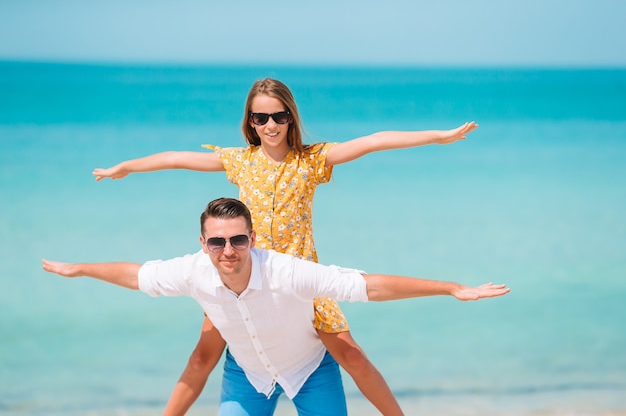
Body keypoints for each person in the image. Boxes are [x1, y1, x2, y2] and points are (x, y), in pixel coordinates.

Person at [92, 78, 479, 415]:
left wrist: (439, 136)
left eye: (279, 116)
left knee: (352, 355)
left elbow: (373, 141)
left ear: (290, 117)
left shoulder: (312, 160)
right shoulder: (240, 161)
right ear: (251, 122)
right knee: (201, 356)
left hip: (300, 280)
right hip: (242, 276)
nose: (270, 125)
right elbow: (176, 158)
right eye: (260, 118)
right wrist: (125, 166)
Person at [42, 197, 510, 416]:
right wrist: (80, 269)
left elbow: (368, 285)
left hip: (310, 370)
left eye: (239, 239)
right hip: (247, 377)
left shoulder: (287, 271)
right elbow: (134, 274)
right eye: (218, 241)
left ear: (252, 239)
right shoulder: (192, 270)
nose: (229, 249)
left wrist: (451, 288)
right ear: (203, 243)